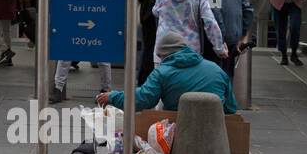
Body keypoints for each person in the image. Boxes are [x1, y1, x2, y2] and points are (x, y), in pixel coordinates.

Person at [98, 30, 239, 114]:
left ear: (164, 54)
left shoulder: (161, 73)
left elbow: (142, 100)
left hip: (179, 131)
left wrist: (113, 97)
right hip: (214, 132)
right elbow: (231, 107)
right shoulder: (216, 70)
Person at [153, 0, 228, 64]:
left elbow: (156, 12)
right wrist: (219, 48)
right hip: (190, 51)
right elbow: (210, 23)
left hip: (164, 52)